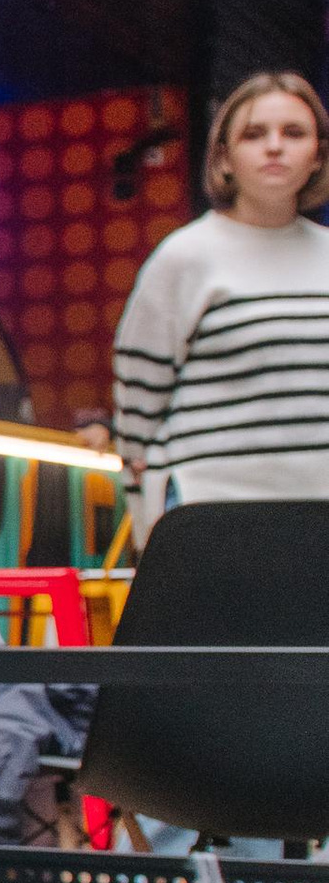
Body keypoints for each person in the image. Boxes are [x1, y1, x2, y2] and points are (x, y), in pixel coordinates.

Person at [111, 70, 329, 538]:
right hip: (212, 514)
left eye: (294, 133)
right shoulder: (184, 257)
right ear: (224, 158)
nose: (275, 146)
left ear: (318, 156)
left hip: (321, 515)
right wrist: (148, 523)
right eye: (254, 134)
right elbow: (137, 418)